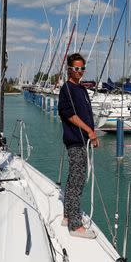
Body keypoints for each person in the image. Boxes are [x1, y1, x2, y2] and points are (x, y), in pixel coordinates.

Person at [57, 52, 99, 239]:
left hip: (84, 140)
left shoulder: (81, 89)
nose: (80, 71)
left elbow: (85, 113)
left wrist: (92, 133)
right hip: (75, 140)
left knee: (73, 177)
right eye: (76, 68)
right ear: (69, 69)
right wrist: (89, 131)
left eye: (82, 68)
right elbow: (68, 114)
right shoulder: (67, 88)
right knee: (77, 180)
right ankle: (75, 226)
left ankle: (67, 215)